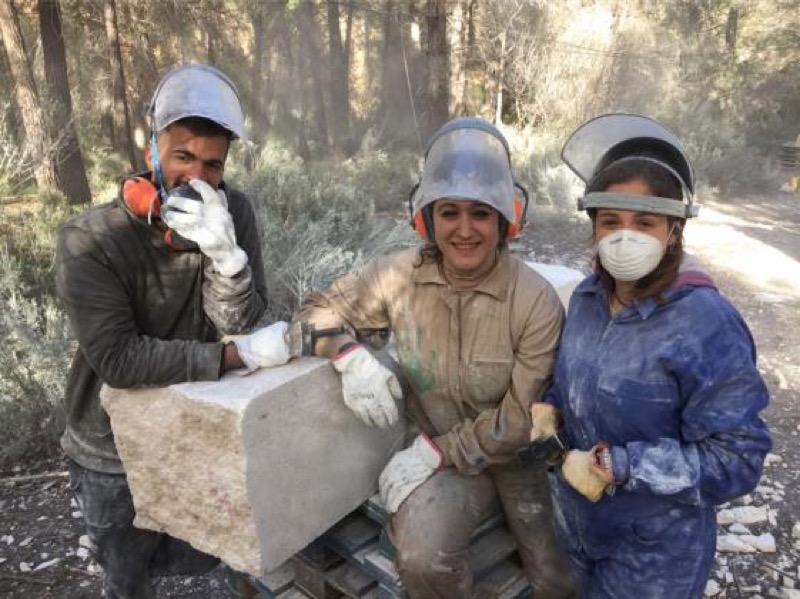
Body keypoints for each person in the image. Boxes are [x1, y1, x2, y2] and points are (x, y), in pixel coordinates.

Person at [294, 117, 574, 598]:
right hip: (442, 459)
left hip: (513, 457)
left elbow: (520, 419)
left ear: (505, 221)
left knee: (556, 573)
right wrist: (349, 356)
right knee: (422, 560)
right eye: (449, 212)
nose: (464, 230)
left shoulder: (534, 301)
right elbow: (313, 310)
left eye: (480, 213)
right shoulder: (400, 275)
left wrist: (437, 451)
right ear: (426, 219)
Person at [55, 63, 292, 599]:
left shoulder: (233, 212)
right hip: (112, 447)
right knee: (127, 575)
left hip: (200, 422)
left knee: (233, 550)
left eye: (213, 164)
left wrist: (227, 259)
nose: (197, 177)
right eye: (182, 156)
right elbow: (119, 360)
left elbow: (239, 324)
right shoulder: (89, 240)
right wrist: (231, 358)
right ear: (151, 153)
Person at [529, 113, 771, 597]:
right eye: (610, 221)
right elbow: (581, 380)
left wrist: (621, 465)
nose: (625, 236)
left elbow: (737, 457)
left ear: (674, 230)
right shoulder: (588, 298)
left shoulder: (705, 323)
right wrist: (552, 406)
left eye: (644, 222)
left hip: (655, 556)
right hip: (580, 529)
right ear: (594, 226)